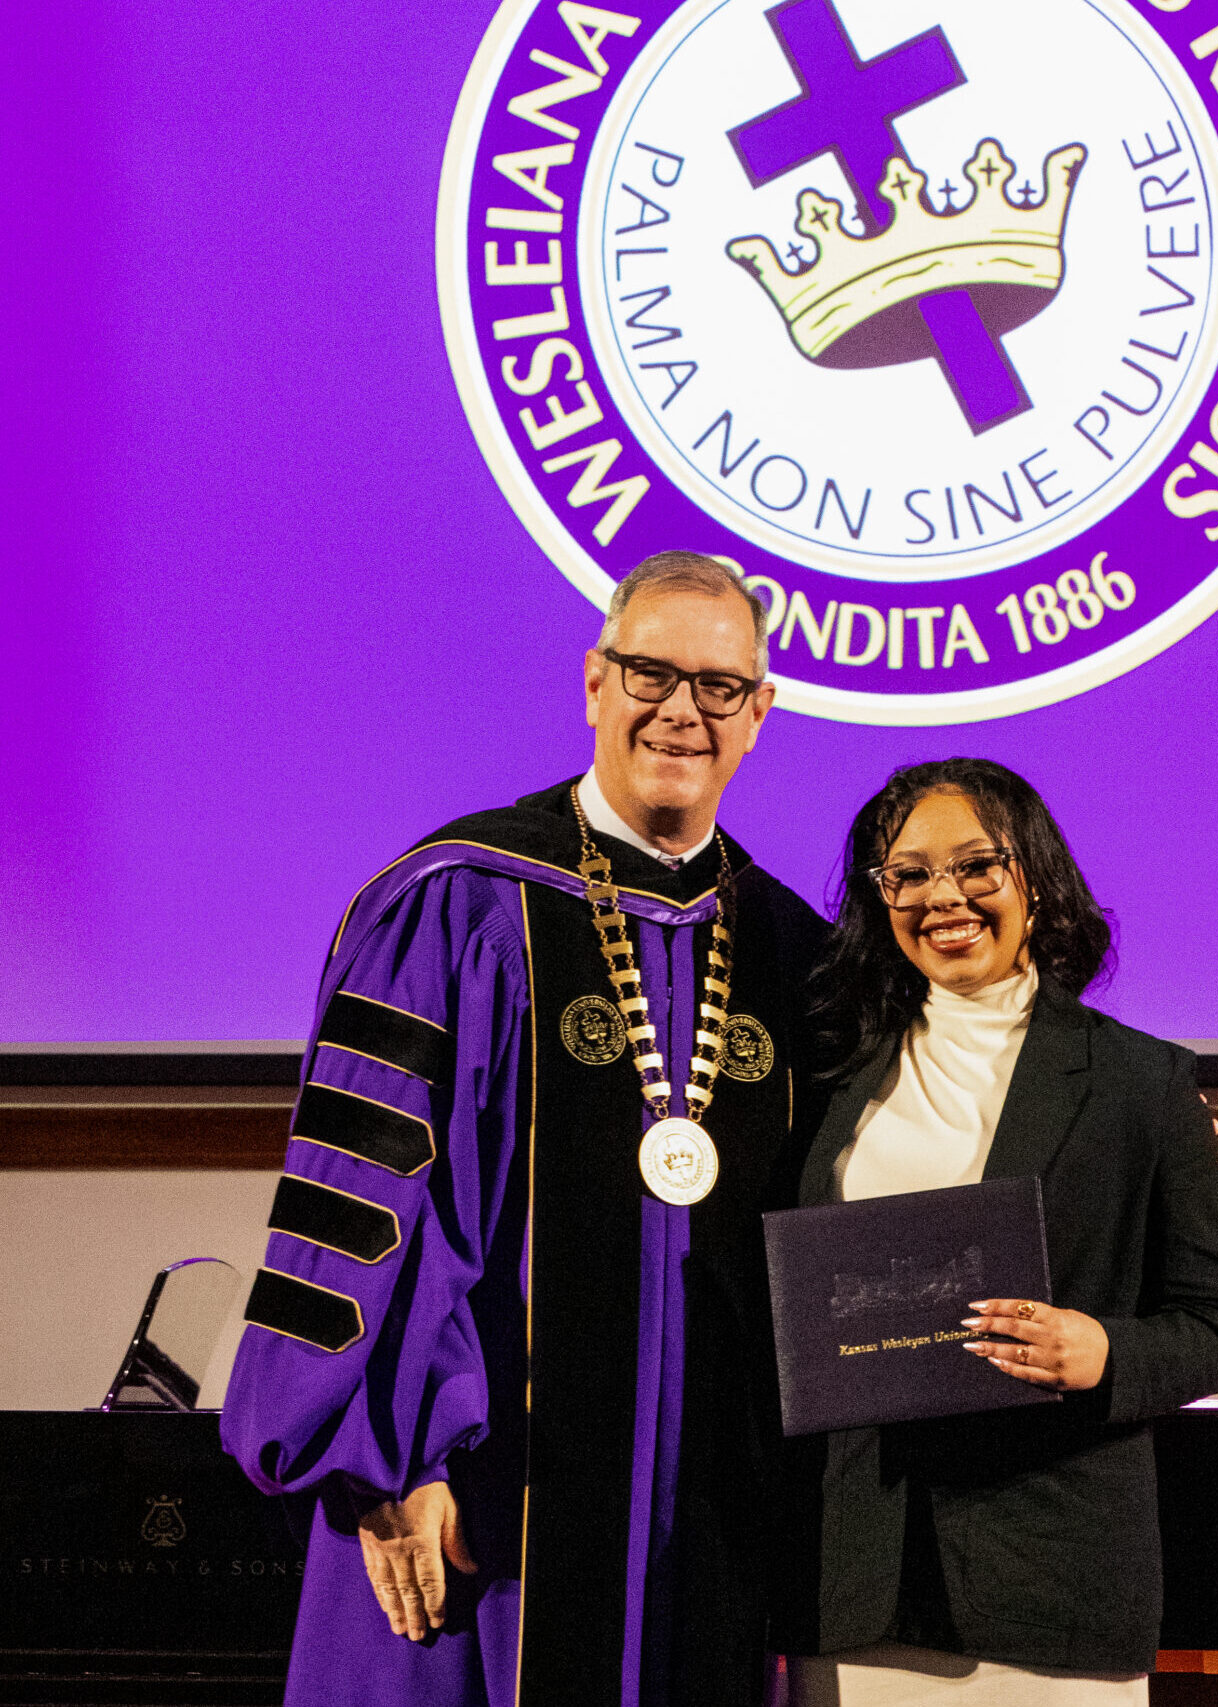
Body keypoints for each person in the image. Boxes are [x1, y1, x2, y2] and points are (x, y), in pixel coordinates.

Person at [221, 552, 830, 1707]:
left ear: (760, 712)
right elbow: (368, 1205)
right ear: (596, 681)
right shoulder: (456, 903)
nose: (680, 711)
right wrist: (390, 1461)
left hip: (706, 1527)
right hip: (469, 1502)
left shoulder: (791, 954)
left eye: (717, 686)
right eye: (651, 672)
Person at [774, 759, 1218, 1704]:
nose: (941, 895)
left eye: (974, 865)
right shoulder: (822, 1076)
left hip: (1051, 1578)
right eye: (906, 874)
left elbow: (1215, 1322)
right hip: (857, 1573)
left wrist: (1103, 1349)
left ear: (1032, 877)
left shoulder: (1141, 1084)